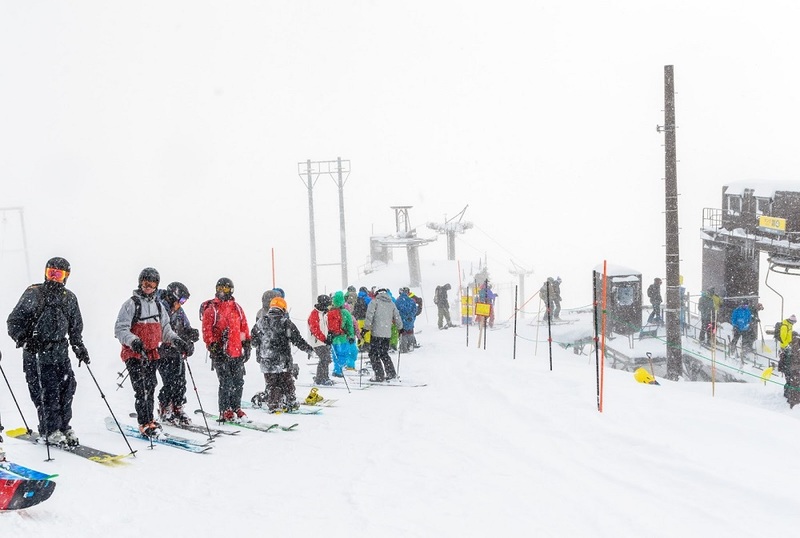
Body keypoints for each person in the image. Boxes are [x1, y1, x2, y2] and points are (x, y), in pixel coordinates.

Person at [7, 257, 90, 447]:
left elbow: (75, 326)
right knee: (47, 392)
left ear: (65, 277)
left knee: (67, 388)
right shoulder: (34, 293)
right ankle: (50, 429)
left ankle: (64, 426)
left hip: (60, 352)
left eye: (58, 274)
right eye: (50, 273)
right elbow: (14, 321)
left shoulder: (69, 298)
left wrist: (79, 346)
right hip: (37, 353)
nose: (53, 277)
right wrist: (25, 340)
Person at [114, 268, 190, 437]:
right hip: (134, 354)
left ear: (156, 285)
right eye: (145, 283)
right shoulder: (131, 304)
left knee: (151, 386)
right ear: (140, 283)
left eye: (152, 284)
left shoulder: (158, 306)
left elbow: (165, 330)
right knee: (142, 389)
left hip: (151, 353)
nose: (148, 287)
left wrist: (178, 341)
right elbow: (120, 329)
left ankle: (150, 420)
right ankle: (145, 422)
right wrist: (133, 341)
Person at [201, 277, 252, 423]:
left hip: (236, 351)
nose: (223, 291)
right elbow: (207, 330)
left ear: (231, 290)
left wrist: (247, 343)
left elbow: (244, 327)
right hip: (220, 352)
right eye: (220, 288)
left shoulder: (237, 308)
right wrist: (212, 345)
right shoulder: (212, 309)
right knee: (226, 382)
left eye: (226, 288)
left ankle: (236, 407)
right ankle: (225, 410)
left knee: (238, 382)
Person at [252, 297, 314, 412]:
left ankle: (274, 404)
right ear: (284, 309)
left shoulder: (260, 322)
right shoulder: (286, 323)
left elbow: (253, 341)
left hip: (266, 361)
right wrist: (308, 350)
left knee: (272, 384)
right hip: (283, 360)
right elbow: (297, 340)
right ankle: (290, 402)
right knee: (287, 381)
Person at [156, 282, 200, 425]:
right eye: (181, 300)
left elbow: (184, 326)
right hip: (162, 351)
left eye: (184, 301)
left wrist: (190, 335)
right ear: (173, 295)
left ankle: (178, 407)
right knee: (169, 380)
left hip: (176, 350)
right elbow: (161, 329)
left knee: (180, 380)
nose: (182, 304)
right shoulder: (160, 307)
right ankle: (165, 407)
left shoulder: (179, 311)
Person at [364, 288, 403, 382]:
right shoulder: (391, 303)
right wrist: (400, 328)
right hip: (387, 334)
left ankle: (379, 375)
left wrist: (366, 328)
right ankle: (391, 373)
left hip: (377, 333)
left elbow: (369, 316)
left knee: (373, 354)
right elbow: (397, 316)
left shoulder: (374, 302)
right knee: (384, 353)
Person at [326, 291, 357, 377]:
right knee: (343, 354)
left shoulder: (329, 312)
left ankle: (337, 370)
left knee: (335, 354)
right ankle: (339, 370)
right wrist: (351, 335)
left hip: (333, 337)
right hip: (342, 337)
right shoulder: (345, 312)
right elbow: (350, 326)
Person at [307, 294, 334, 385]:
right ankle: (322, 378)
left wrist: (329, 334)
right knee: (324, 358)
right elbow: (315, 329)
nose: (328, 306)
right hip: (316, 341)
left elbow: (326, 326)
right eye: (327, 304)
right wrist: (324, 339)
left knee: (326, 359)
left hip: (323, 340)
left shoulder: (324, 313)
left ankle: (321, 377)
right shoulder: (314, 314)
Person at [395, 287, 418, 353]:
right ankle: (411, 345)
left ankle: (403, 348)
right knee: (410, 332)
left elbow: (396, 311)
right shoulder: (411, 300)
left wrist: (403, 317)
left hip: (402, 320)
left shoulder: (398, 301)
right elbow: (415, 310)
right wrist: (411, 316)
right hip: (410, 320)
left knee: (403, 333)